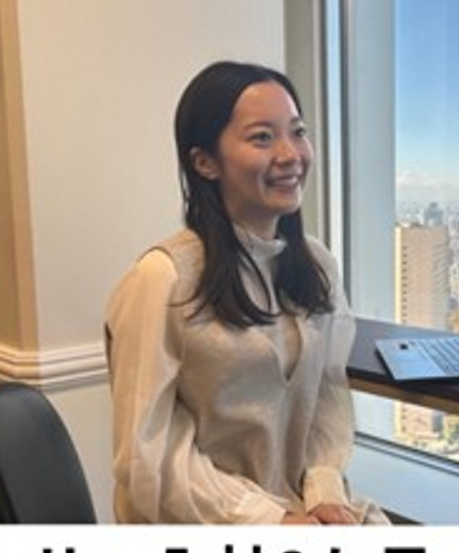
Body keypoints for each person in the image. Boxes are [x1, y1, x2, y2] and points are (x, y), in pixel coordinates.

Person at [105, 60, 386, 525]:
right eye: (262, 137)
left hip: (299, 511)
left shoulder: (316, 265)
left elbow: (326, 398)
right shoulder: (163, 279)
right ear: (204, 162)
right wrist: (269, 521)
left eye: (298, 132)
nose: (291, 154)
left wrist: (324, 490)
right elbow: (149, 455)